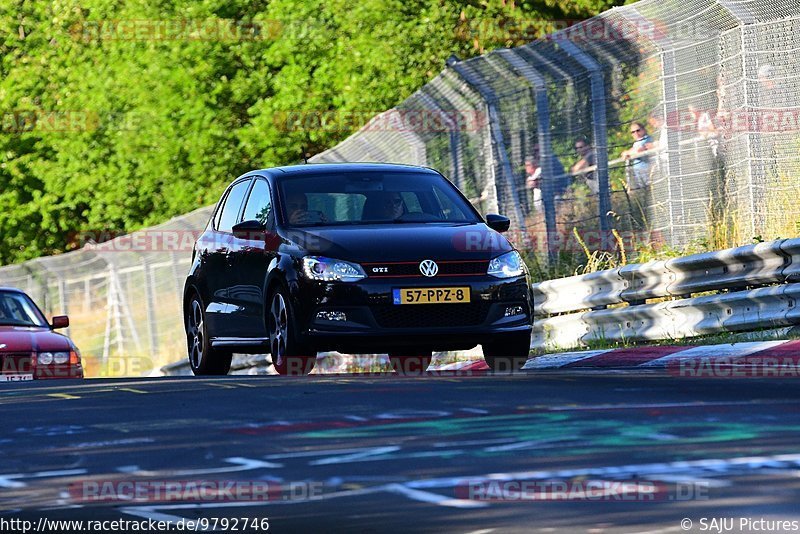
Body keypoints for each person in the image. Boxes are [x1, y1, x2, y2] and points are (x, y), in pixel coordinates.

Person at [621, 122, 656, 189]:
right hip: (638, 172)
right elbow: (626, 152)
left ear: (643, 130)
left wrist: (627, 153)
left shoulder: (647, 139)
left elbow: (638, 150)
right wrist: (627, 152)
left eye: (638, 130)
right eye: (633, 132)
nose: (636, 133)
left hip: (647, 170)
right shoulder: (636, 143)